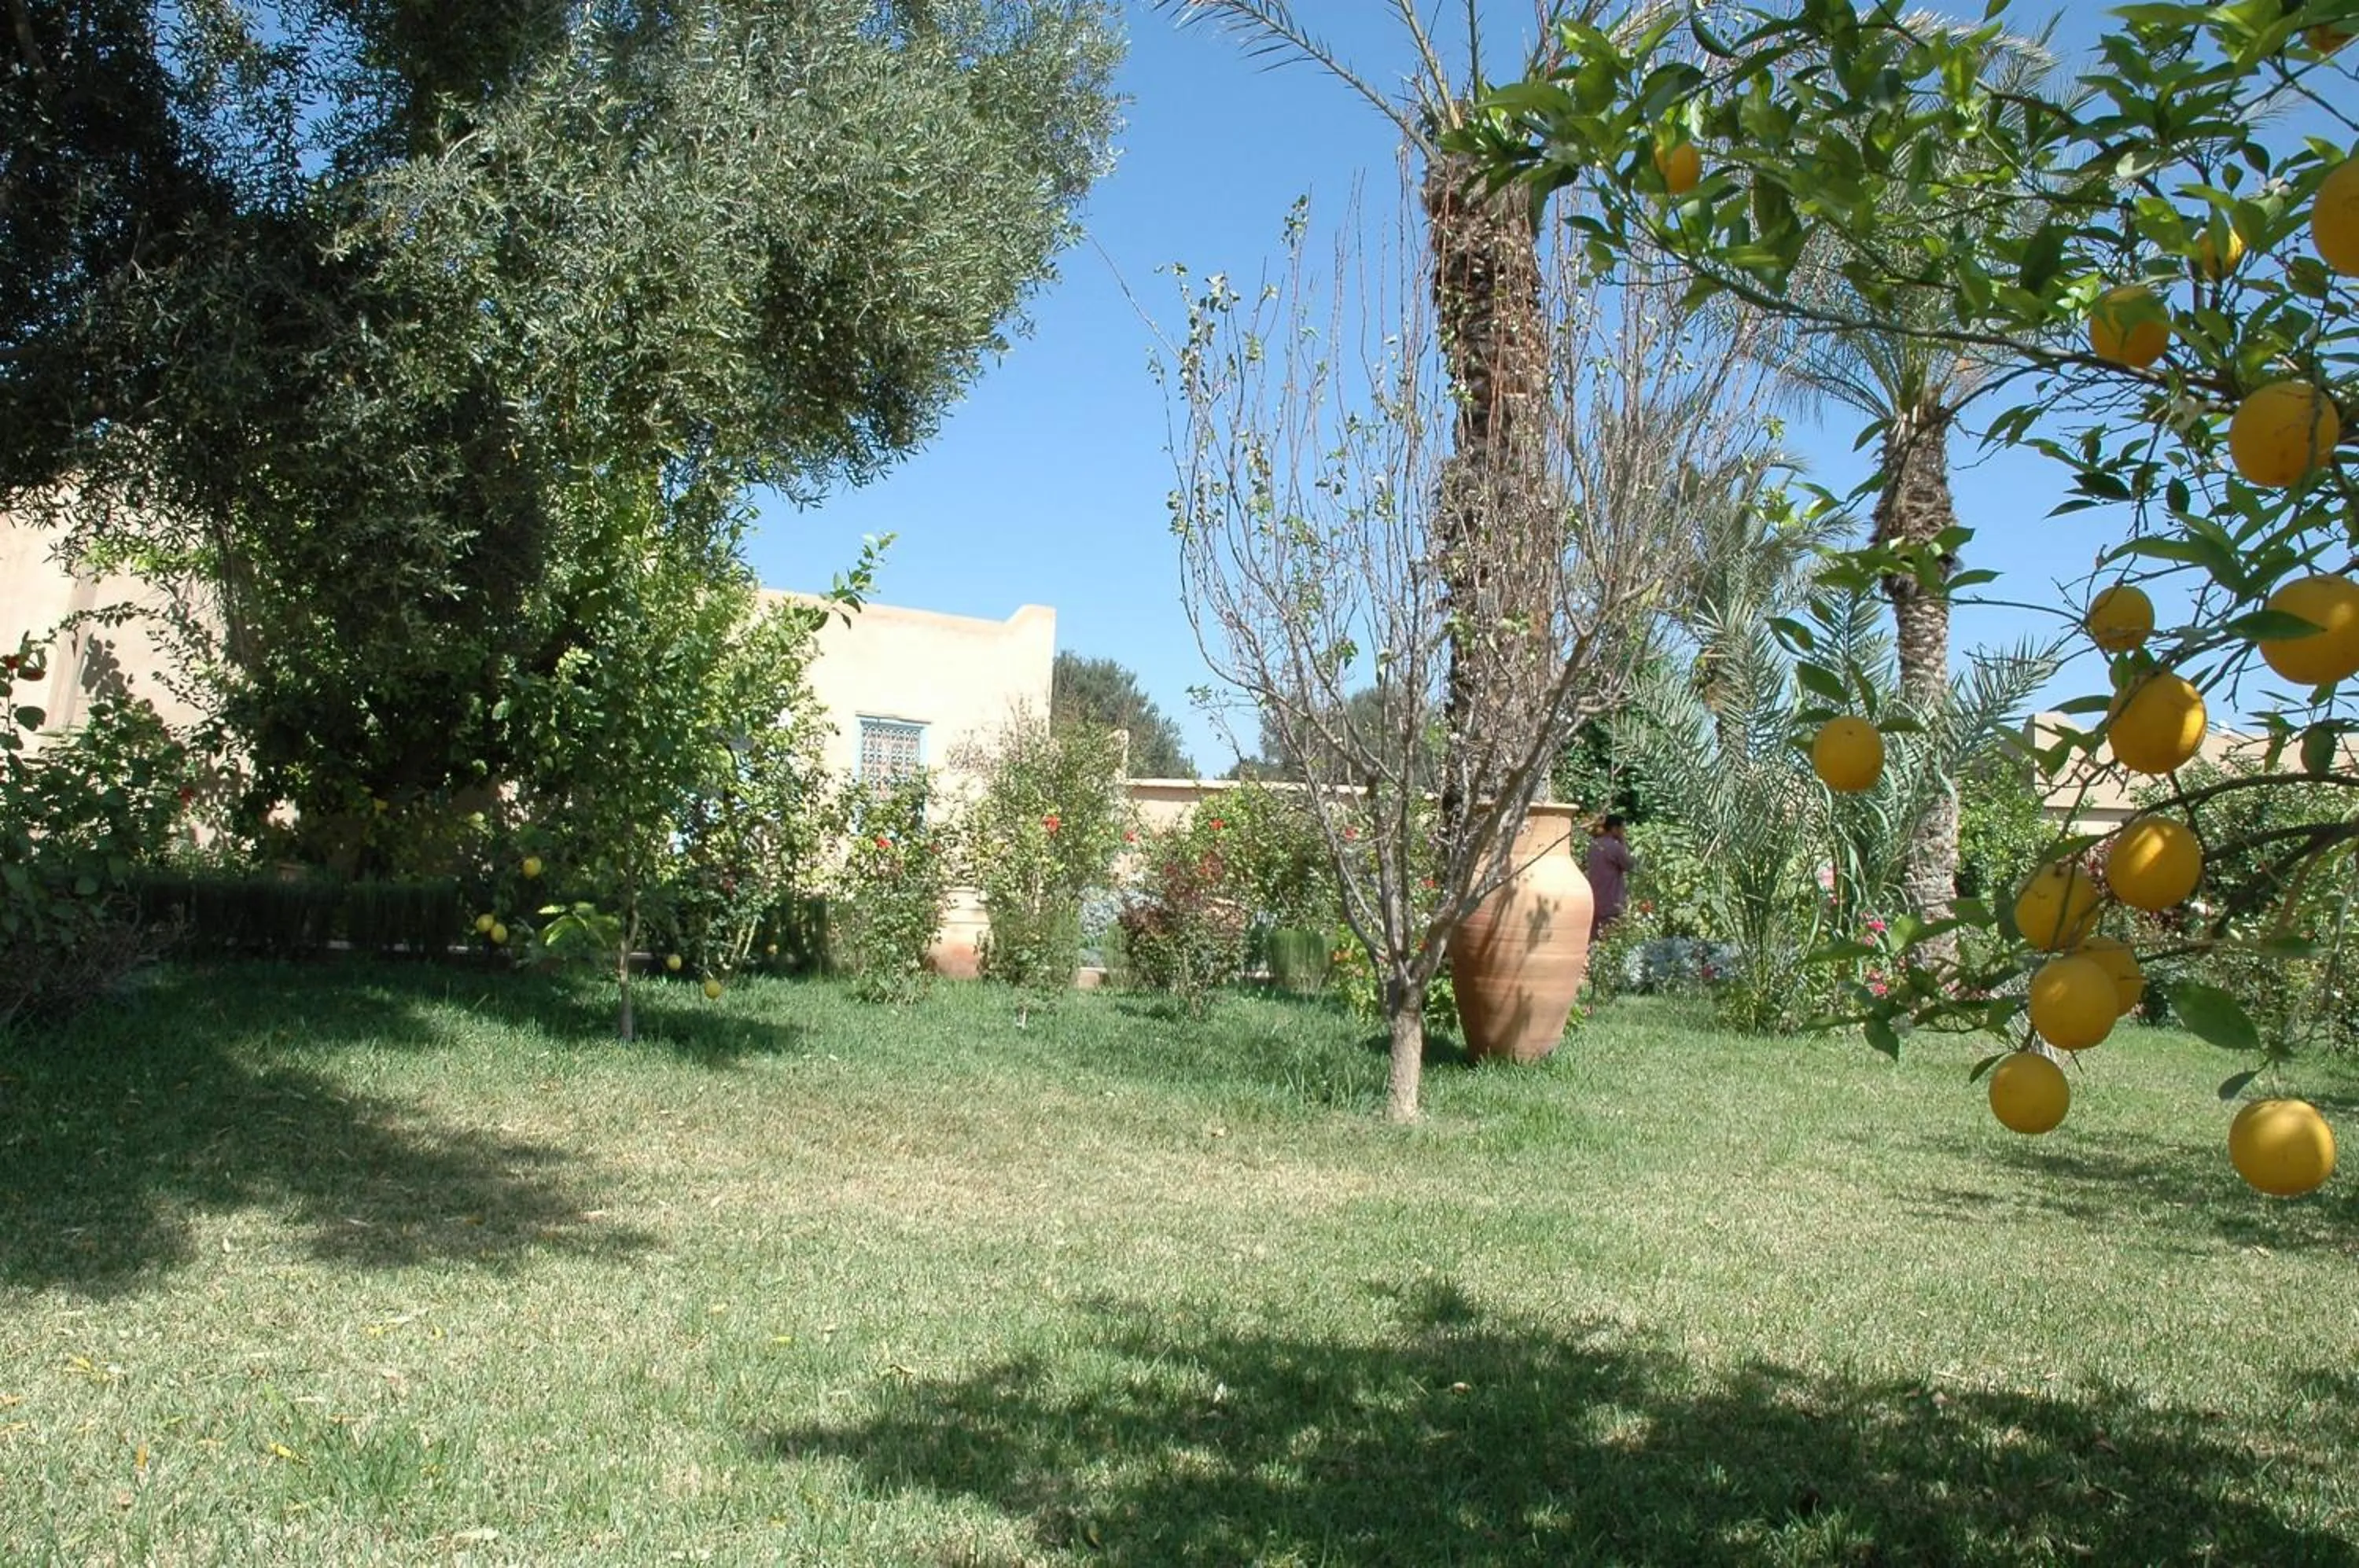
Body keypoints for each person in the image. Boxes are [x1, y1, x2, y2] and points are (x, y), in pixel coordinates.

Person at [1584, 814, 1635, 937]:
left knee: (1595, 936)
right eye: (1622, 829)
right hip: (1611, 901)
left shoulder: (1594, 845)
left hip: (1595, 898)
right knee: (1610, 938)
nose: (1624, 832)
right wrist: (1623, 842)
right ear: (1614, 829)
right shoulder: (1615, 847)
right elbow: (1629, 864)